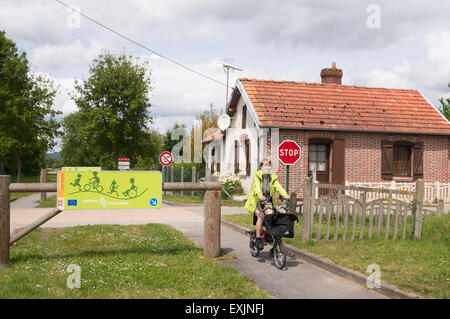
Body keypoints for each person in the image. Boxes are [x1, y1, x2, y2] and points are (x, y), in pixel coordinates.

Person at [244, 158, 290, 250]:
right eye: (265, 165)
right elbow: (257, 187)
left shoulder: (272, 177)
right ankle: (257, 238)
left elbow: (278, 187)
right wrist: (260, 195)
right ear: (261, 166)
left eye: (269, 165)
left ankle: (268, 234)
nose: (267, 167)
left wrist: (285, 194)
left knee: (270, 215)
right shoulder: (257, 176)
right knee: (261, 216)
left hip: (267, 201)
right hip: (256, 200)